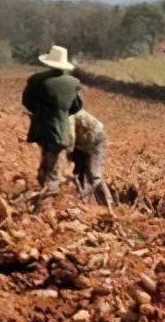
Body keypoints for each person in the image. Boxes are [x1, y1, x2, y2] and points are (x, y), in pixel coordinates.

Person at [22, 45, 82, 205]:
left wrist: (41, 114)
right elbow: (77, 106)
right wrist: (61, 114)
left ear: (49, 62)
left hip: (41, 129)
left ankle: (42, 199)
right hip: (60, 131)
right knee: (54, 170)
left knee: (45, 162)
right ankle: (47, 204)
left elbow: (27, 101)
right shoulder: (72, 83)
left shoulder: (37, 80)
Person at [70, 109, 112, 208]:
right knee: (78, 174)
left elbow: (70, 137)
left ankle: (108, 205)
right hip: (82, 144)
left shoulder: (68, 113)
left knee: (95, 176)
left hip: (95, 141)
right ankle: (84, 203)